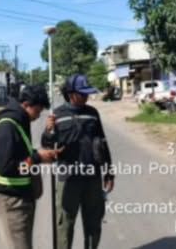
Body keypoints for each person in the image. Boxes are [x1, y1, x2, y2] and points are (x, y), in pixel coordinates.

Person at [42, 74, 114, 249]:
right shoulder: (57, 115)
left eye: (87, 93)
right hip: (68, 179)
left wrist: (109, 172)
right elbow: (46, 146)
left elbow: (102, 142)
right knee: (65, 226)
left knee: (93, 224)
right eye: (82, 93)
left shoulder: (92, 113)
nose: (86, 97)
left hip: (92, 177)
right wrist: (48, 131)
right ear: (71, 93)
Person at [0, 85, 60, 249]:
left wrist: (42, 156)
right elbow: (6, 167)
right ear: (27, 104)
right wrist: (37, 158)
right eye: (38, 110)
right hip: (11, 202)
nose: (38, 115)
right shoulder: (7, 127)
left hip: (22, 199)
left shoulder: (20, 123)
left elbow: (22, 156)